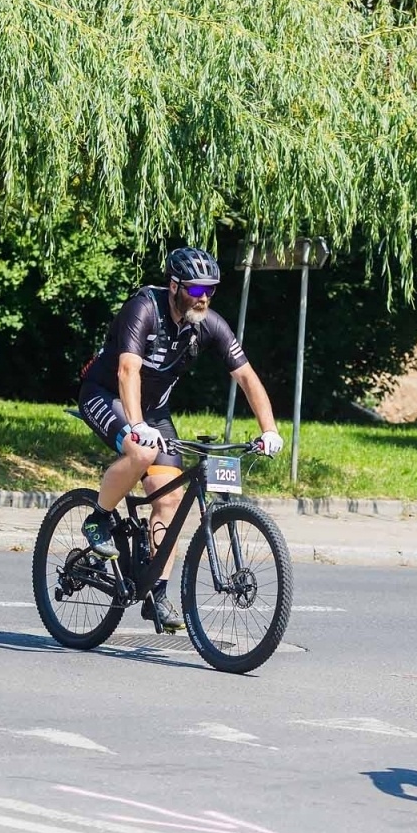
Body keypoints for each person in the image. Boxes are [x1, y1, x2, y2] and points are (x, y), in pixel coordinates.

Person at [76, 246, 285, 630]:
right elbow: (127, 371)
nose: (203, 297)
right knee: (140, 452)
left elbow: (247, 378)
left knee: (169, 496)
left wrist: (268, 430)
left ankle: (157, 593)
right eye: (195, 289)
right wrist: (137, 425)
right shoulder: (144, 308)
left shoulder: (208, 323)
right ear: (174, 285)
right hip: (106, 393)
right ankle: (98, 518)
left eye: (210, 290)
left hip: (155, 411)